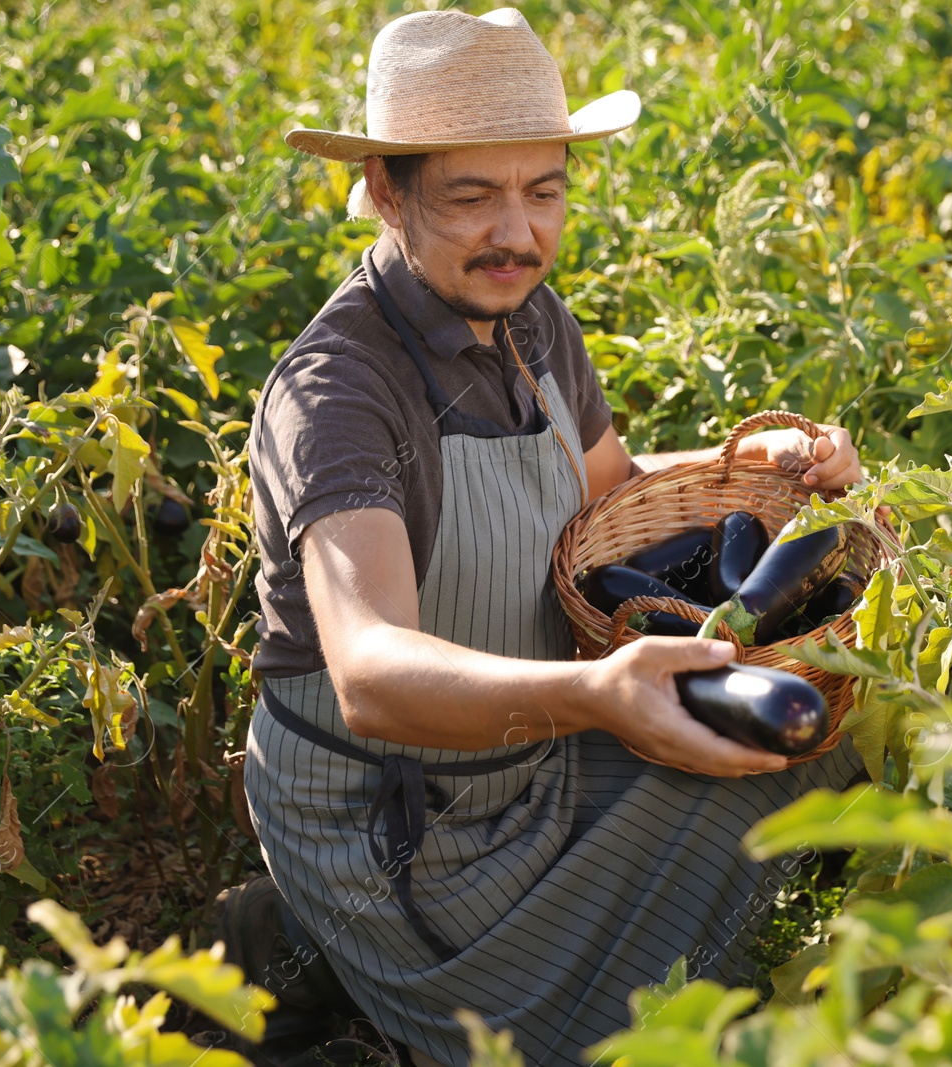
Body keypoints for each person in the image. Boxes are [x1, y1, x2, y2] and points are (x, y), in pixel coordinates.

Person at [239, 8, 868, 1066]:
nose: (517, 234)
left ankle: (292, 956)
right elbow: (372, 670)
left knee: (813, 760)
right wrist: (596, 695)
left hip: (527, 757)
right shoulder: (340, 395)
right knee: (605, 1043)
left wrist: (758, 466)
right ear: (387, 193)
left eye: (544, 192)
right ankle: (317, 957)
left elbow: (607, 486)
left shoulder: (529, 321)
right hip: (405, 831)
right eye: (473, 197)